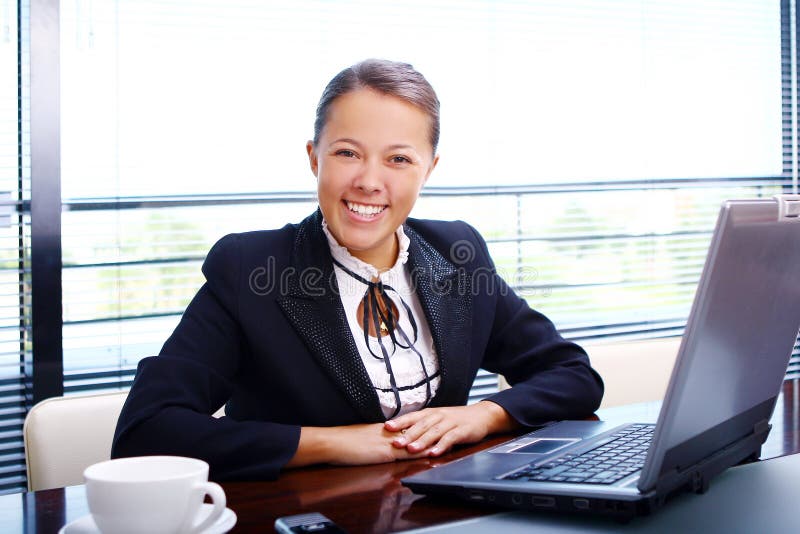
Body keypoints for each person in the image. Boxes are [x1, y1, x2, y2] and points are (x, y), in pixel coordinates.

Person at [112, 59, 604, 481]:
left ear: (428, 169)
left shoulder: (458, 251)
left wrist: (483, 416)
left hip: (443, 512)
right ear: (314, 158)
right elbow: (146, 431)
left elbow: (573, 375)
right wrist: (338, 443)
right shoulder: (250, 268)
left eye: (398, 159)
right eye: (347, 153)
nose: (369, 181)